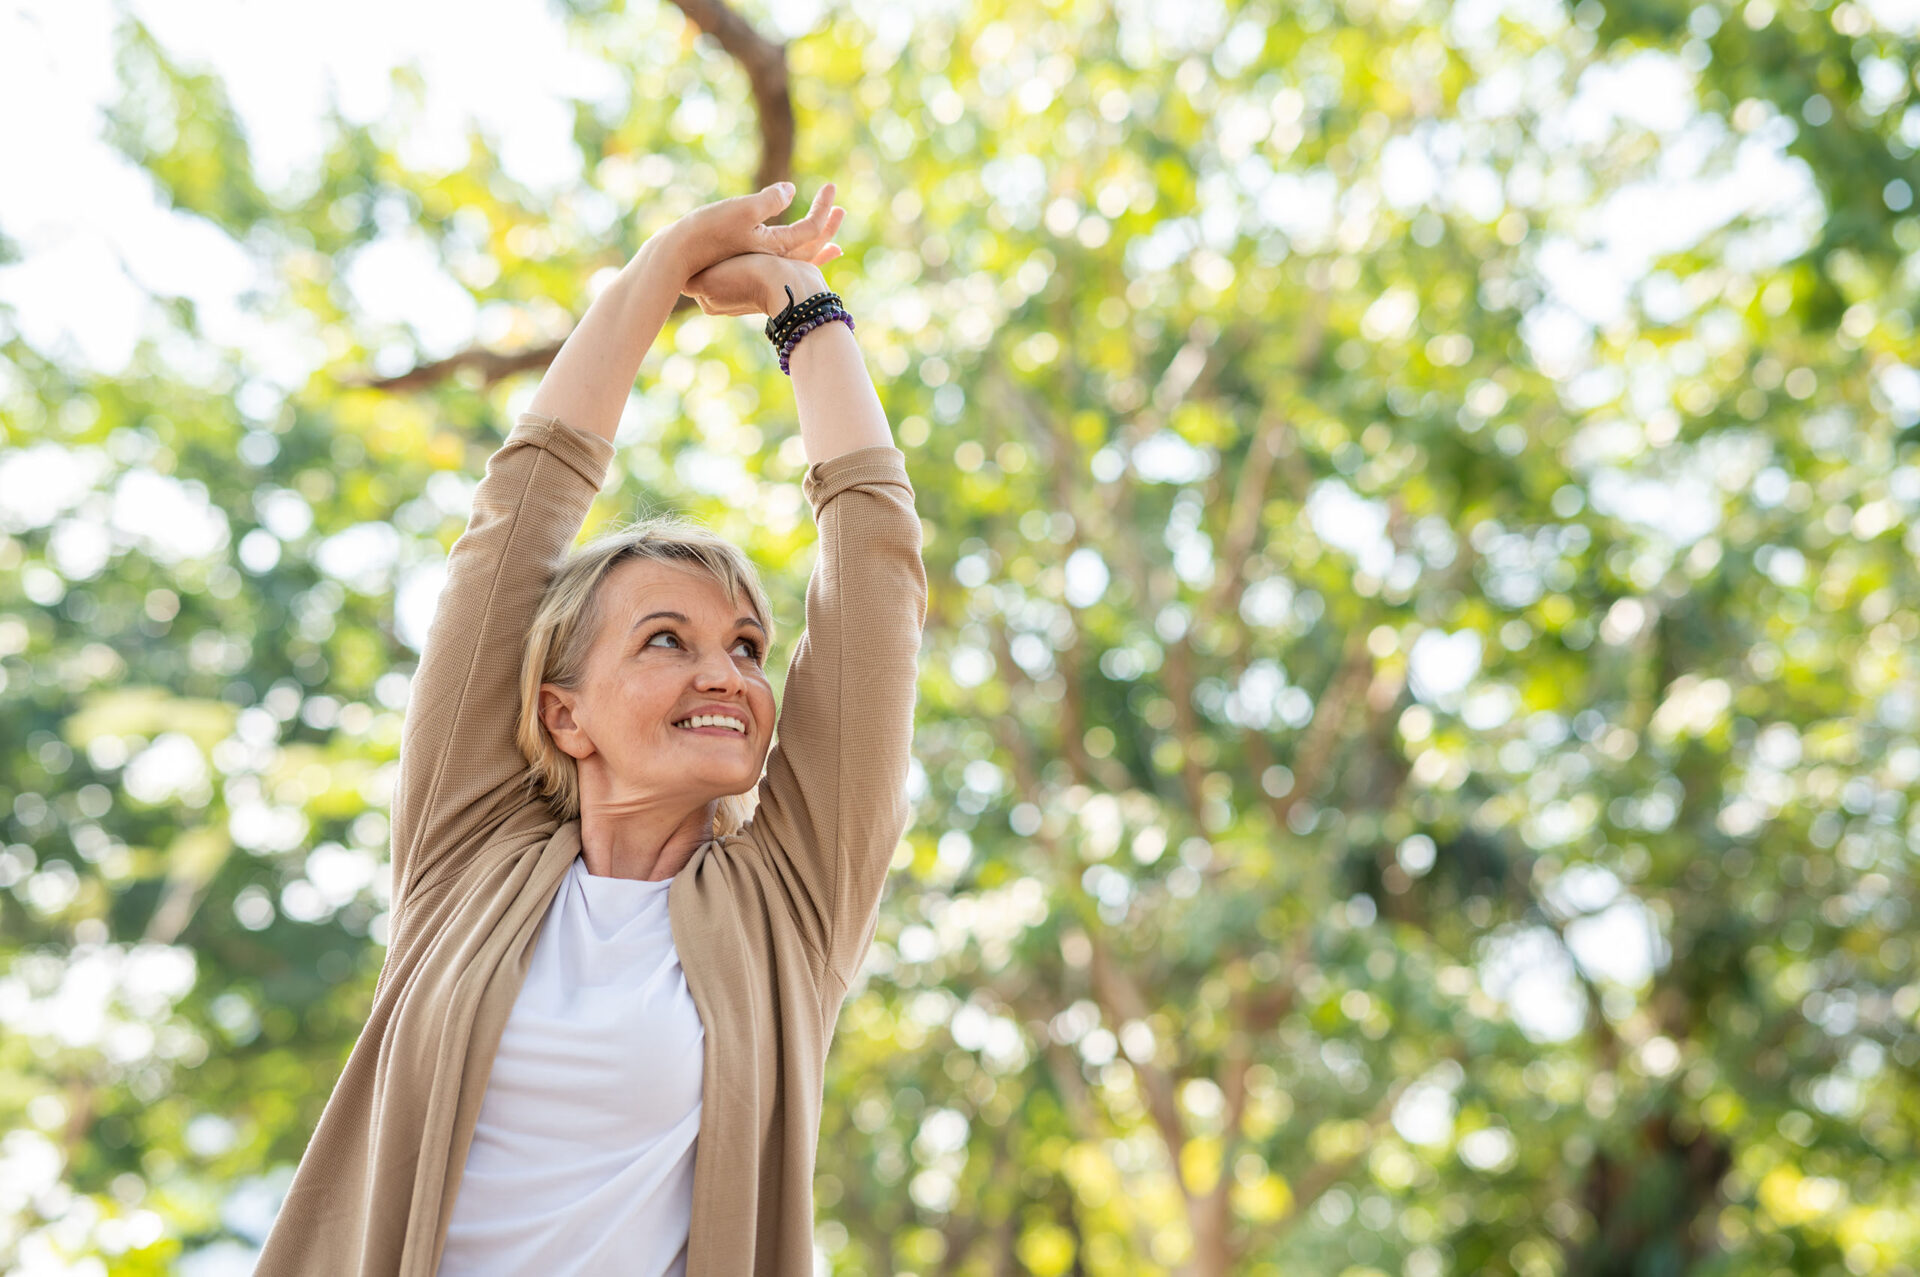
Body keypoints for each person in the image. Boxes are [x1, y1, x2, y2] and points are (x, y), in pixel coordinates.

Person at [253, 181, 928, 1276]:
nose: (727, 671)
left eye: (748, 646)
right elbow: (513, 521)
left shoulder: (791, 902)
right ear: (564, 713)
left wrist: (804, 308)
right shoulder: (463, 851)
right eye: (668, 638)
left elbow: (877, 568)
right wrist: (660, 267)